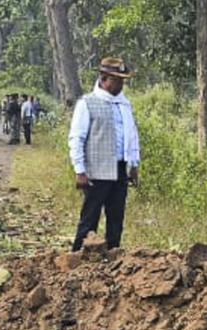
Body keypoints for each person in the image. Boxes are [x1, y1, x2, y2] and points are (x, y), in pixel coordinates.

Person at [68, 57, 141, 252]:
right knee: (89, 218)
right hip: (96, 171)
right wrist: (80, 171)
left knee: (116, 218)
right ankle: (78, 257)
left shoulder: (124, 105)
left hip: (119, 169)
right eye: (117, 80)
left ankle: (112, 256)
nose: (121, 85)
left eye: (122, 80)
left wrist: (133, 165)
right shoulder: (87, 103)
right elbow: (77, 138)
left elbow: (131, 136)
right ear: (104, 78)